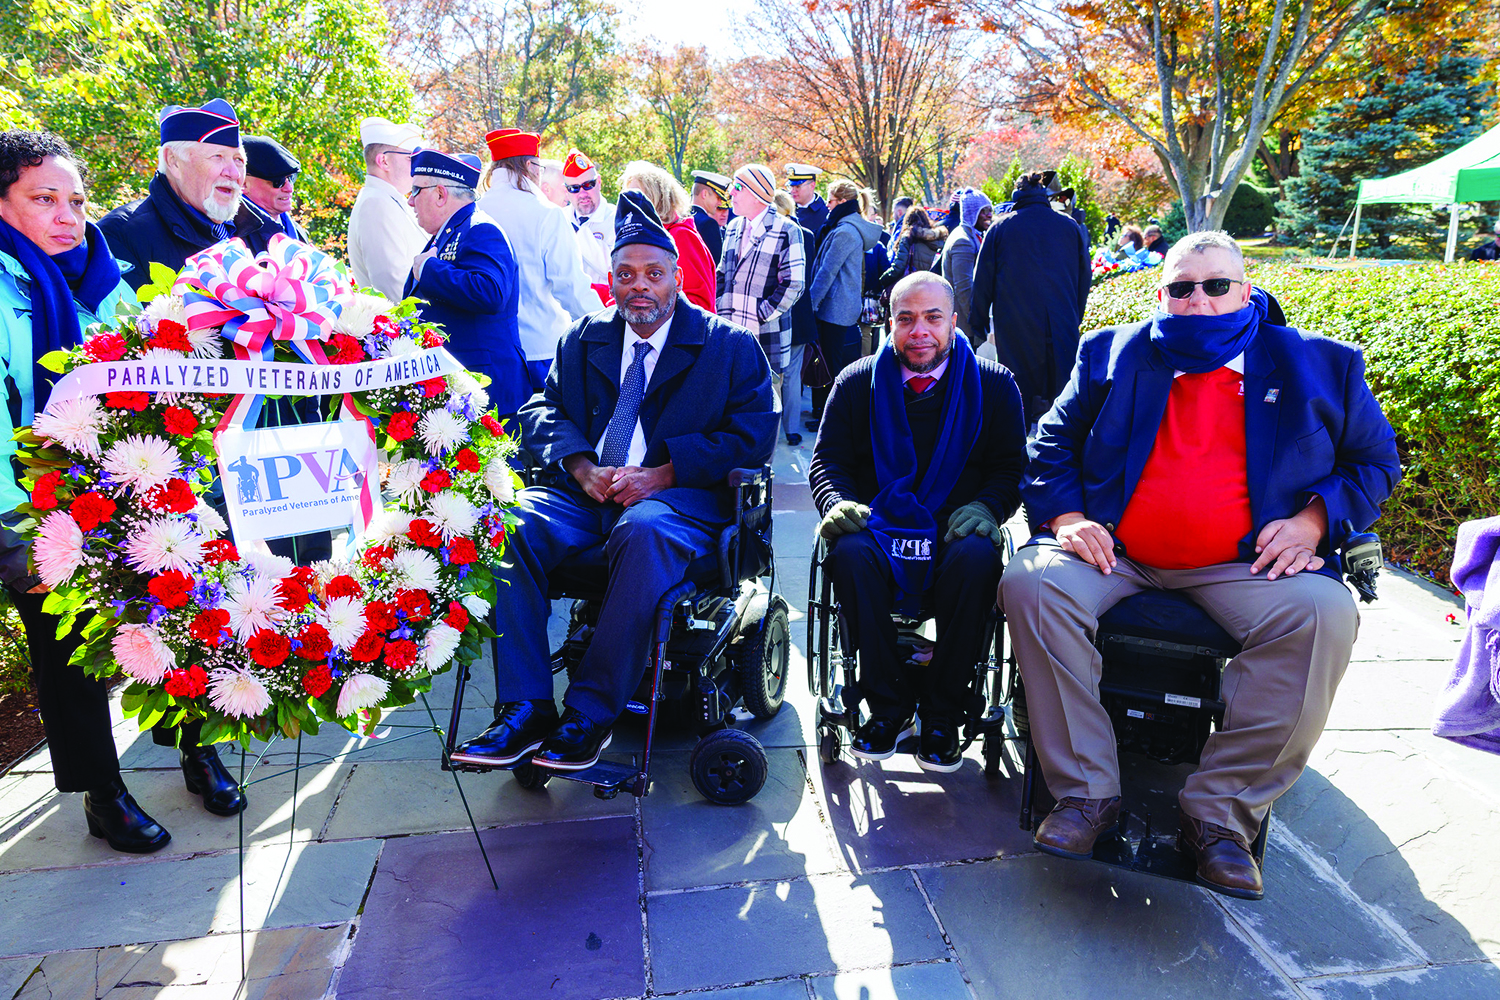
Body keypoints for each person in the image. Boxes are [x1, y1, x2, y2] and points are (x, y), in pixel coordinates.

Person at [1000, 231, 1402, 899]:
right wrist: (1069, 518)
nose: (1201, 299)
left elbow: (1374, 463)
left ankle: (1220, 817)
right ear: (1162, 295)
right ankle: (1084, 795)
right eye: (1183, 288)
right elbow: (1049, 444)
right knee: (1031, 584)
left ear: (1246, 292)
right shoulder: (1112, 353)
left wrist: (1312, 521)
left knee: (1326, 614)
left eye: (1218, 285)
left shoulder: (1320, 365)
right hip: (1117, 553)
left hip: (1243, 562)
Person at [449, 191, 777, 771]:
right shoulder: (583, 337)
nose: (639, 286)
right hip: (588, 495)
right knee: (506, 525)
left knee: (644, 530)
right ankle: (525, 710)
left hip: (680, 502)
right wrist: (581, 466)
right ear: (610, 280)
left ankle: (590, 713)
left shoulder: (730, 347)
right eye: (625, 275)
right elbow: (541, 411)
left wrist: (664, 473)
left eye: (654, 273)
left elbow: (751, 437)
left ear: (677, 276)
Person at [0, 130, 243, 852]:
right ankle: (100, 792)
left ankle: (195, 748)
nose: (67, 215)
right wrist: (15, 519)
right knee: (68, 649)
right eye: (44, 199)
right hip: (30, 501)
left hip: (129, 484)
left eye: (75, 199)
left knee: (175, 615)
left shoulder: (102, 276)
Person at [809, 272, 1026, 770]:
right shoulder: (857, 380)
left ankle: (943, 712)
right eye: (905, 319)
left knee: (977, 555)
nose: (919, 331)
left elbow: (1010, 468)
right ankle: (887, 707)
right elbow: (829, 461)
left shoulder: (995, 385)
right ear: (890, 324)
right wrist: (835, 501)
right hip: (877, 523)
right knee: (847, 553)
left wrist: (988, 508)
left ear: (953, 322)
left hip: (955, 528)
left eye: (932, 318)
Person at [403, 147, 529, 417]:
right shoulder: (452, 231)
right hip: (465, 389)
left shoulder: (480, 229)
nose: (410, 201)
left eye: (415, 191)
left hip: (487, 392)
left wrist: (429, 269)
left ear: (440, 193)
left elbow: (490, 292)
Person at [99, 99, 279, 288]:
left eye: (239, 160)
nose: (234, 173)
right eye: (217, 156)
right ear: (173, 161)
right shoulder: (119, 236)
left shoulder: (262, 231)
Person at [476, 129, 596, 392]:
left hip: (491, 352)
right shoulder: (545, 213)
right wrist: (603, 325)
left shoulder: (476, 209)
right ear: (530, 166)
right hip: (541, 350)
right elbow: (570, 287)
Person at [969, 170, 1091, 424]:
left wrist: (978, 322)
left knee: (1017, 398)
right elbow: (1084, 278)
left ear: (1017, 193)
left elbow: (982, 281)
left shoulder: (1001, 228)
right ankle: (1060, 457)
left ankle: (1018, 456)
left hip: (1016, 327)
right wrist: (1073, 316)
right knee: (1064, 399)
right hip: (1061, 323)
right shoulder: (1069, 226)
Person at [716, 164, 805, 379]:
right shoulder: (734, 226)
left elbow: (794, 284)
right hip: (729, 337)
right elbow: (722, 273)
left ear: (757, 194)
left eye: (738, 186)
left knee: (765, 409)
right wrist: (720, 305)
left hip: (767, 341)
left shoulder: (788, 229)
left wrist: (759, 315)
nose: (731, 193)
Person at [808, 179, 883, 396]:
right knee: (831, 363)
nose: (828, 205)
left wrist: (811, 304)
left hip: (835, 309)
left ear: (842, 201)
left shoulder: (845, 231)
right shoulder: (845, 227)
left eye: (831, 200)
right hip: (838, 306)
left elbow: (827, 271)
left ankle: (830, 413)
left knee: (831, 366)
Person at [347, 116, 427, 302]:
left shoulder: (387, 200)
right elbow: (393, 286)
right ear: (384, 161)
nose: (416, 166)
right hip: (410, 327)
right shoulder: (375, 204)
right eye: (410, 159)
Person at [619, 161, 716, 312]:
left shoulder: (682, 236)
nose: (631, 203)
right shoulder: (654, 237)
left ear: (657, 197)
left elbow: (699, 302)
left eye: (638, 195)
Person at [772, 190, 816, 446]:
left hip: (775, 314)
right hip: (799, 314)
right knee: (792, 376)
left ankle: (773, 429)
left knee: (773, 375)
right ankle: (790, 429)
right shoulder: (807, 236)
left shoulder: (768, 235)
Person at [942, 190, 992, 348]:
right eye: (984, 211)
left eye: (990, 210)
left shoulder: (972, 235)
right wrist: (977, 322)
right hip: (965, 325)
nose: (989, 215)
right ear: (972, 213)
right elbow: (963, 287)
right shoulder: (963, 241)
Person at [241, 135, 308, 242]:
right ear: (243, 184)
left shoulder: (297, 232)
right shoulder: (233, 233)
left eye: (291, 178)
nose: (289, 188)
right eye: (278, 181)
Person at [563, 149, 615, 285]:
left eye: (588, 185)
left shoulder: (617, 218)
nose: (582, 194)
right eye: (574, 188)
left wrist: (577, 232)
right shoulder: (559, 218)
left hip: (604, 303)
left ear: (599, 182)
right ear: (566, 191)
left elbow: (612, 269)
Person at [879, 206, 947, 288]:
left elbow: (899, 267)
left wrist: (882, 280)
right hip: (932, 286)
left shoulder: (908, 237)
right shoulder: (938, 238)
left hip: (911, 286)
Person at [690, 169, 731, 264]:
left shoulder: (681, 217)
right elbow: (715, 264)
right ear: (704, 194)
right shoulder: (708, 224)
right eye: (718, 197)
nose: (720, 203)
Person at [787, 162, 828, 234]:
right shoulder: (784, 207)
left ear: (812, 185)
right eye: (791, 187)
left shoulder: (825, 212)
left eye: (798, 186)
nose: (793, 191)